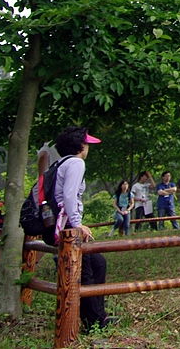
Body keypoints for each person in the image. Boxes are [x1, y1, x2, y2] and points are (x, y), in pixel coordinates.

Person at [53, 126, 113, 331]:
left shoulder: (60, 163)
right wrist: (77, 224)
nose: (88, 147)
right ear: (80, 145)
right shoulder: (76, 163)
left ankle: (97, 315)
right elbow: (69, 195)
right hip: (69, 225)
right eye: (86, 143)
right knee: (85, 270)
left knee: (97, 263)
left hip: (64, 224)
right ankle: (95, 322)